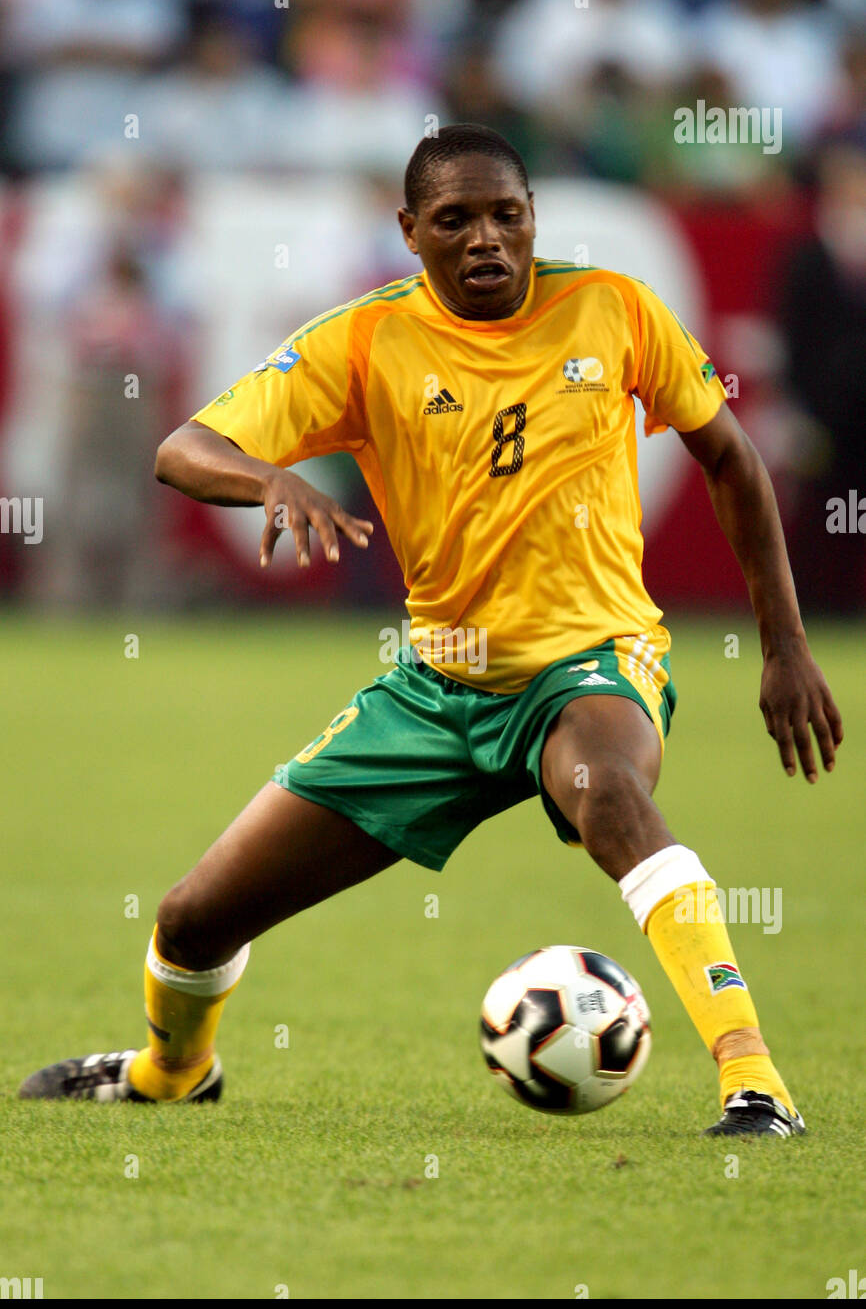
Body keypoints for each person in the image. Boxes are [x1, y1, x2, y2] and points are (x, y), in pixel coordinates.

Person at [20, 125, 842, 1137]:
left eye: (508, 215)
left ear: (534, 218)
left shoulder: (614, 308)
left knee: (612, 798)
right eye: (455, 220)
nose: (487, 239)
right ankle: (169, 1071)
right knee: (193, 919)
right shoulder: (363, 340)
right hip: (435, 688)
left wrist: (781, 645)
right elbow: (184, 449)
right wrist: (269, 475)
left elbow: (732, 460)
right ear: (410, 232)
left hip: (585, 664)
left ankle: (752, 1081)